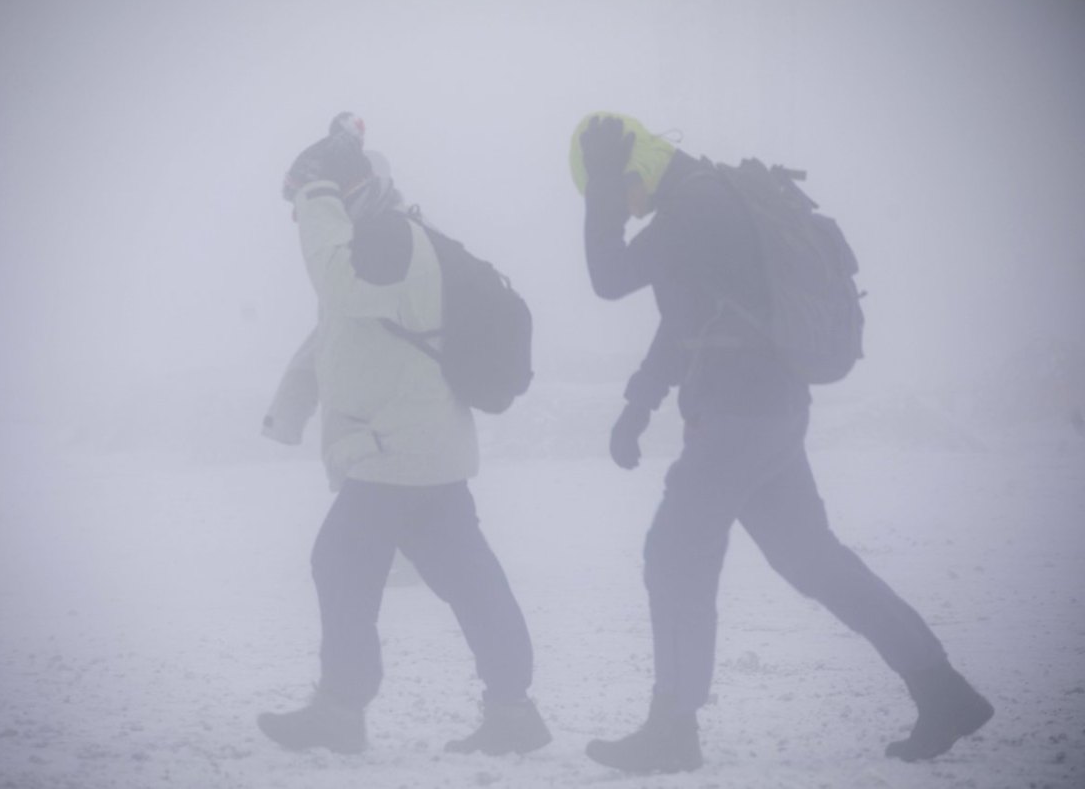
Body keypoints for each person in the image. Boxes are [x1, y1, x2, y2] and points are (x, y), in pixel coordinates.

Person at [567, 112, 993, 774]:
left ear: (635, 171)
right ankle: (943, 689)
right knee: (811, 558)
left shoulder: (695, 204)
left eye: (620, 192)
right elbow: (686, 318)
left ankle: (672, 727)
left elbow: (608, 276)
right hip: (769, 408)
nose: (624, 209)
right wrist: (639, 403)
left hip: (737, 414)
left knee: (674, 554)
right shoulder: (705, 200)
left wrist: (599, 186)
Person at [256, 115, 551, 757]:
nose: (302, 219)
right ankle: (513, 709)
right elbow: (334, 334)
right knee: (467, 576)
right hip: (418, 449)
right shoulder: (379, 249)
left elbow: (332, 282)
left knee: (339, 560)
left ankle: (341, 708)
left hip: (398, 449)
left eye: (314, 201)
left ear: (347, 194)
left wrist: (317, 189)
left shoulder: (393, 242)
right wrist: (289, 408)